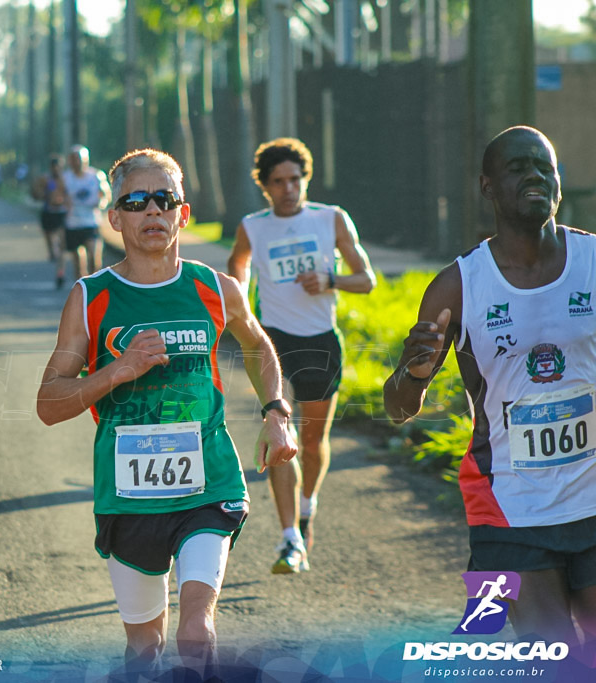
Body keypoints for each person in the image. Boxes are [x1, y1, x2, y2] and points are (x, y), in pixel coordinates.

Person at [37, 148, 297, 675]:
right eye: (136, 201)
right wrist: (117, 371)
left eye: (165, 199)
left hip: (209, 486)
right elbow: (48, 403)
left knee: (196, 630)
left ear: (183, 212)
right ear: (114, 217)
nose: (152, 211)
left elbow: (257, 344)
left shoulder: (215, 288)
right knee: (144, 649)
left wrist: (276, 410)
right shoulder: (90, 297)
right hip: (129, 496)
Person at [384, 125, 596, 654]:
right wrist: (413, 371)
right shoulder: (458, 286)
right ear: (487, 187)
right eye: (518, 168)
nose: (534, 176)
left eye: (544, 167)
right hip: (509, 508)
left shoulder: (593, 263)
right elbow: (398, 408)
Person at [227, 137, 376, 574]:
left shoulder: (331, 219)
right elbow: (238, 269)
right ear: (265, 186)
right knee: (281, 436)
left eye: (295, 179)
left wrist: (331, 279)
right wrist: (241, 315)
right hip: (273, 342)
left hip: (321, 342)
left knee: (312, 443)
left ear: (305, 180)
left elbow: (366, 279)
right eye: (279, 182)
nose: (289, 188)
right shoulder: (252, 226)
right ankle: (289, 539)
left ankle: (307, 508)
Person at [62, 144, 111, 279]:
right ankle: (82, 292)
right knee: (77, 263)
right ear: (70, 161)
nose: (77, 162)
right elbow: (58, 195)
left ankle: (94, 289)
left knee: (94, 259)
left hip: (91, 222)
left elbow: (106, 194)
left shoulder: (96, 176)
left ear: (86, 160)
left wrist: (101, 203)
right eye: (74, 159)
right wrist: (63, 201)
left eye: (80, 159)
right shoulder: (65, 178)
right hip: (73, 223)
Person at [33, 154, 69, 288]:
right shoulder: (45, 179)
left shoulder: (66, 179)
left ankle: (60, 273)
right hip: (48, 213)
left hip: (62, 214)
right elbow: (36, 194)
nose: (56, 169)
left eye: (58, 167)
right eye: (54, 167)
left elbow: (70, 194)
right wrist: (45, 194)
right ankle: (51, 251)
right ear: (50, 167)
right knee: (50, 240)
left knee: (61, 247)